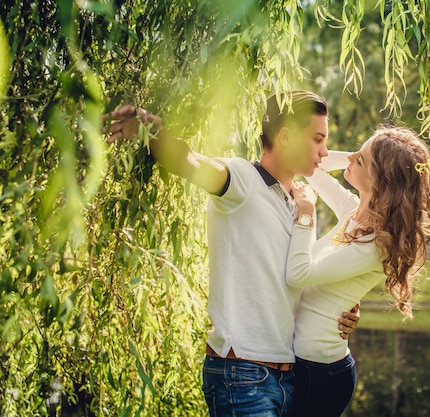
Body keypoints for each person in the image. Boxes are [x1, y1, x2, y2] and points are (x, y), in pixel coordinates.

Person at [102, 91, 360, 417]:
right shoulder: (242, 180)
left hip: (290, 376)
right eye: (318, 139)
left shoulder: (297, 203)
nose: (324, 152)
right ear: (285, 137)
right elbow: (191, 161)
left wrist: (340, 307)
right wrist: (153, 132)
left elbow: (292, 281)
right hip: (243, 377)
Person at [286, 125, 430, 417]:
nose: (351, 157)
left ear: (379, 179)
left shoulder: (376, 243)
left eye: (361, 158)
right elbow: (313, 169)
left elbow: (298, 274)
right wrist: (370, 153)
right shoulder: (353, 211)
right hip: (303, 361)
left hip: (318, 373)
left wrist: (306, 213)